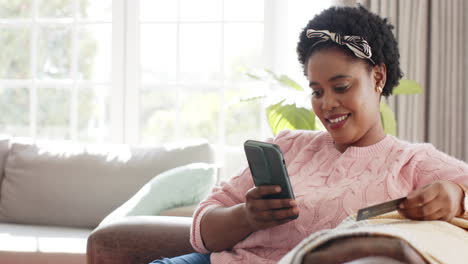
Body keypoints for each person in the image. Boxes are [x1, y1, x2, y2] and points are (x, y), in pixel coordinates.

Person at [149, 5, 468, 264]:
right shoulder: (287, 145)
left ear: (378, 77)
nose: (327, 104)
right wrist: (247, 216)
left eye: (341, 87)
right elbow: (202, 227)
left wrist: (456, 193)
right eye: (317, 91)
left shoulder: (412, 162)